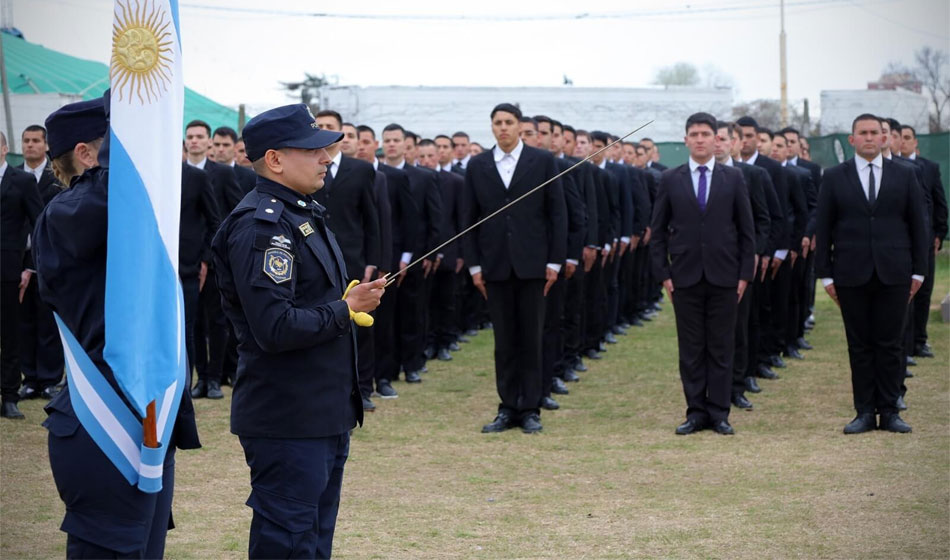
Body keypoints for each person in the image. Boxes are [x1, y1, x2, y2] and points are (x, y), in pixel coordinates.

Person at [212, 104, 386, 558]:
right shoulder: (262, 226)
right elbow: (275, 326)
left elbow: (307, 300)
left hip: (321, 412)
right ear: (275, 160)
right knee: (287, 543)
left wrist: (341, 302)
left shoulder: (301, 213)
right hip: (288, 417)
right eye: (313, 150)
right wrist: (344, 309)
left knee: (312, 541)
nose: (326, 158)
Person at [33, 96, 201, 558]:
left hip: (147, 412)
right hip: (101, 421)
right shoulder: (67, 212)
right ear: (89, 153)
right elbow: (119, 190)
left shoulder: (122, 209)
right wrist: (134, 107)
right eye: (124, 141)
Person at [815, 114, 928, 434]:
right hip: (851, 274)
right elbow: (823, 228)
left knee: (892, 344)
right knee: (860, 344)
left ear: (884, 138)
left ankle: (890, 410)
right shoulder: (835, 177)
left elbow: (918, 226)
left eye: (874, 133)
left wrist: (919, 272)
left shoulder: (906, 175)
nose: (868, 138)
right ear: (852, 140)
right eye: (862, 133)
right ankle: (864, 411)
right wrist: (825, 275)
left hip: (895, 273)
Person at [650, 112, 755, 436]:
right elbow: (657, 232)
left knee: (722, 347)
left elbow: (746, 231)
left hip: (725, 277)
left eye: (705, 134)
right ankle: (695, 411)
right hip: (685, 278)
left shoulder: (733, 178)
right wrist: (664, 275)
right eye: (693, 134)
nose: (699, 139)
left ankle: (720, 413)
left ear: (716, 139)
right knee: (692, 348)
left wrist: (744, 275)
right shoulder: (670, 178)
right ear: (685, 140)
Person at [465, 103, 567, 434]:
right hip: (494, 265)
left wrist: (554, 261)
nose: (504, 128)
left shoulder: (542, 161)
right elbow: (467, 220)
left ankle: (530, 408)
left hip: (533, 265)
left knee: (531, 338)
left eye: (509, 122)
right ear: (492, 127)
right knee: (504, 340)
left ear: (520, 126)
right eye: (498, 123)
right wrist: (474, 266)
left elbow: (557, 214)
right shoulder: (478, 165)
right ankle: (507, 406)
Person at [315, 110, 382, 411]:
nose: (325, 130)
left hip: (353, 257)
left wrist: (374, 259)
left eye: (331, 127)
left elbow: (372, 218)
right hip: (318, 257)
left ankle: (363, 387)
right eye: (320, 126)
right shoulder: (307, 166)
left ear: (342, 133)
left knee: (360, 325)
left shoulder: (360, 169)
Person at [17, 125, 66, 401]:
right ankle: (30, 378)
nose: (30, 145)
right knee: (23, 322)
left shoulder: (55, 176)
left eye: (36, 141)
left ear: (46, 145)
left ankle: (49, 378)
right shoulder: (13, 177)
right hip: (17, 260)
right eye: (26, 141)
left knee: (48, 322)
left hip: (48, 260)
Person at [1, 131, 43, 419]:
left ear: (4, 148)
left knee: (10, 334)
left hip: (9, 268)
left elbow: (38, 223)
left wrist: (29, 266)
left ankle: (9, 395)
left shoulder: (23, 181)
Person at [898, 125, 948, 359]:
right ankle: (905, 344)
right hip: (903, 243)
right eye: (901, 138)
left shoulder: (929, 168)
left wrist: (939, 233)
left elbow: (938, 204)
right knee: (905, 294)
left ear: (915, 142)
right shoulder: (894, 169)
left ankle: (920, 340)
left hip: (927, 240)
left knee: (924, 291)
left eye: (908, 138)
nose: (904, 142)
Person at [213, 126, 257, 194]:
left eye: (226, 145)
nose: (220, 149)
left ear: (235, 147)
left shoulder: (251, 177)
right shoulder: (202, 174)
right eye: (217, 144)